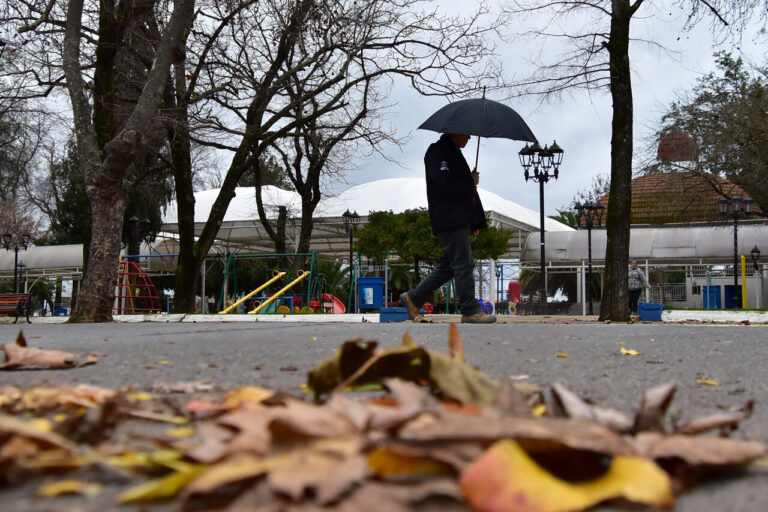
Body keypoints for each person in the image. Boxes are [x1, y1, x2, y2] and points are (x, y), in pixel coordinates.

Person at [399, 133, 496, 324]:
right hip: (449, 218)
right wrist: (469, 180)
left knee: (450, 267)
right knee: (464, 264)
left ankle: (413, 298)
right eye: (466, 132)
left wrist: (474, 220)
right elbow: (444, 184)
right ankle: (470, 309)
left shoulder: (454, 153)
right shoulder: (438, 152)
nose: (469, 136)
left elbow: (464, 192)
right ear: (454, 131)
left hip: (457, 218)